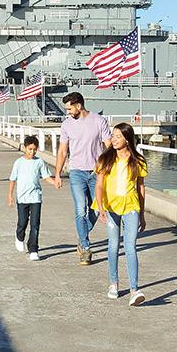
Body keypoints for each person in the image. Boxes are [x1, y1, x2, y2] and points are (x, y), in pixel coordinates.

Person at [92, 122, 148, 305]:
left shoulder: (137, 160)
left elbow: (140, 187)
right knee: (113, 245)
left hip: (131, 206)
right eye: (113, 136)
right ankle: (114, 283)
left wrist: (142, 214)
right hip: (110, 207)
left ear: (127, 138)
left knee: (130, 247)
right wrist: (100, 207)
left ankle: (134, 289)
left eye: (117, 136)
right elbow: (99, 185)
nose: (113, 140)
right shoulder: (105, 159)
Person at [53, 91, 110, 263]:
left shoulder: (99, 121)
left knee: (95, 209)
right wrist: (57, 174)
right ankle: (85, 247)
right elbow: (63, 151)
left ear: (79, 105)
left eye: (69, 108)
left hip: (96, 173)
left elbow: (108, 146)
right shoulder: (66, 125)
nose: (68, 112)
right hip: (76, 172)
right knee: (80, 209)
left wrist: (103, 164)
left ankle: (82, 235)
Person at [6, 135, 53, 261]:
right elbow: (12, 179)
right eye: (29, 149)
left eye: (34, 149)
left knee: (35, 224)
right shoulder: (19, 162)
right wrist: (10, 195)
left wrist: (55, 183)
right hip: (22, 198)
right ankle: (19, 237)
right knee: (22, 222)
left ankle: (33, 249)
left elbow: (46, 176)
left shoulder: (39, 162)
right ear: (25, 148)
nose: (32, 152)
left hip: (36, 198)